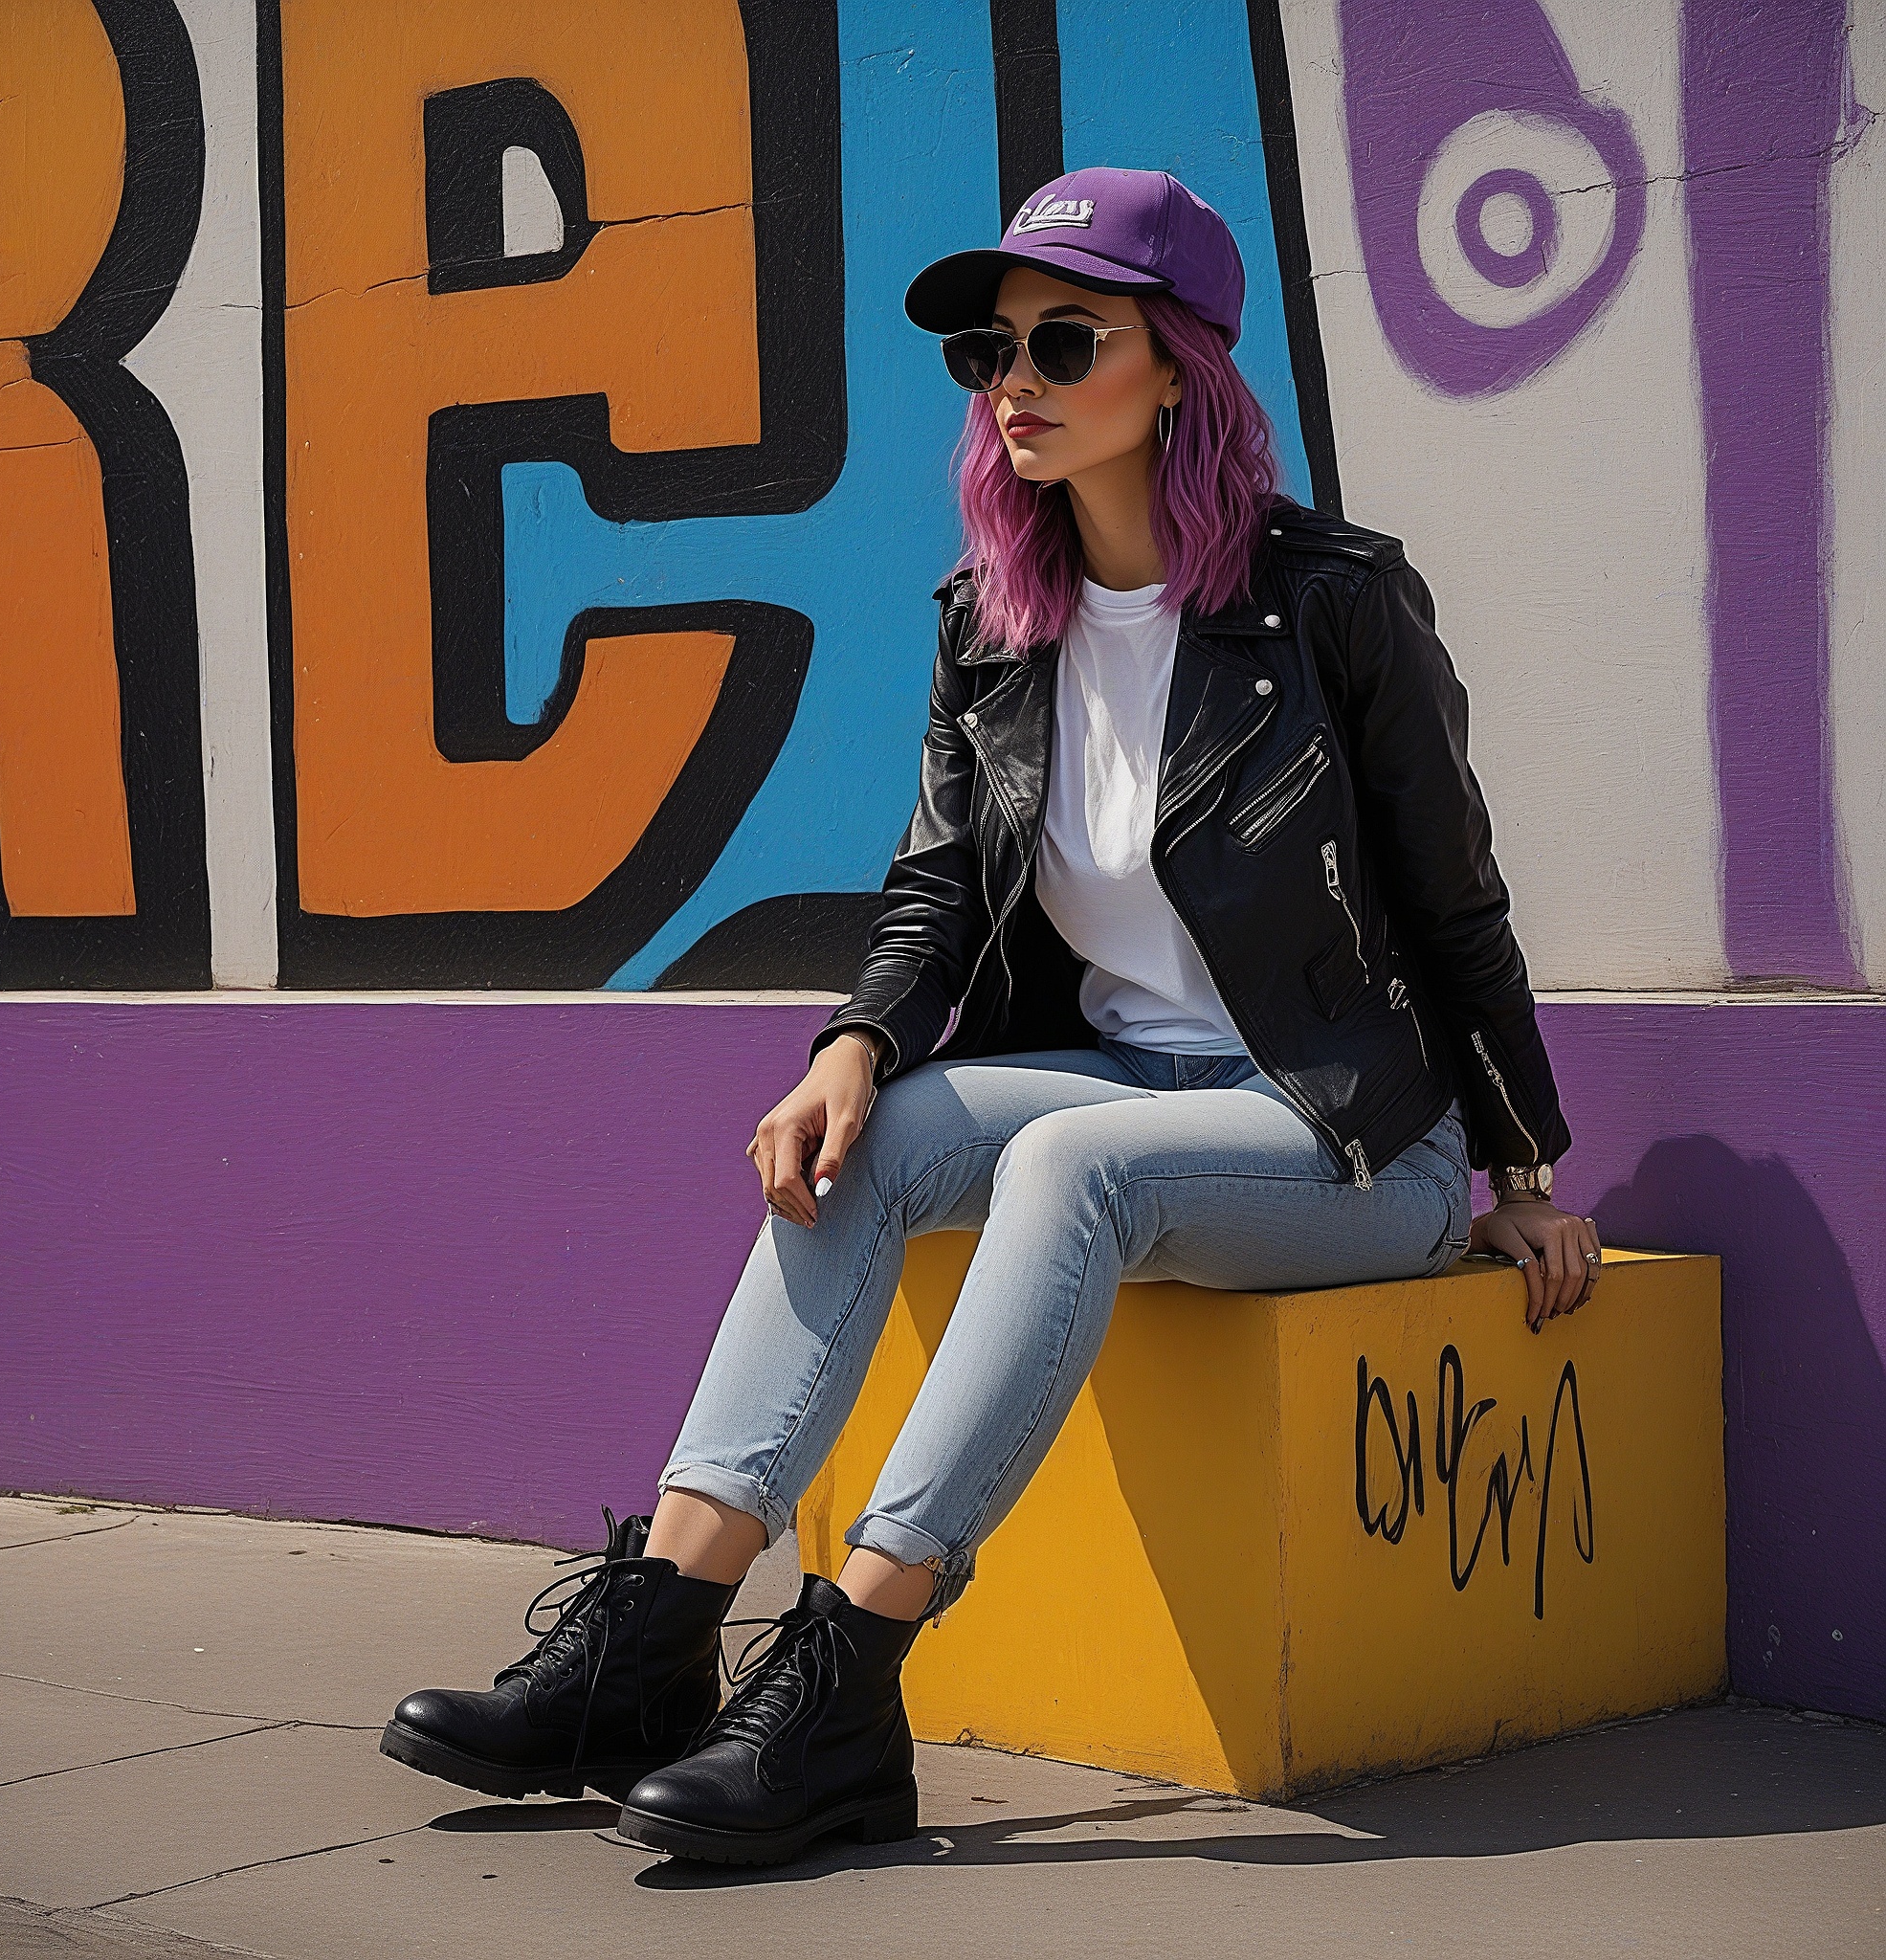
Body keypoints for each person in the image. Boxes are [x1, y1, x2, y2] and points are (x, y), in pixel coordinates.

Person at [380, 166, 1601, 1866]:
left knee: (1070, 1171)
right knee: (875, 1141)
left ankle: (845, 1684)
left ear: (1175, 366)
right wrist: (852, 1048)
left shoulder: (1333, 601)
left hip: (1350, 1135)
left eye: (1062, 339)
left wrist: (1524, 1167)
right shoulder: (993, 621)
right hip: (1120, 1077)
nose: (1013, 378)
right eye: (988, 349)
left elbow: (1458, 900)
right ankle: (651, 1641)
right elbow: (937, 888)